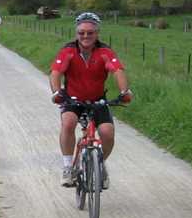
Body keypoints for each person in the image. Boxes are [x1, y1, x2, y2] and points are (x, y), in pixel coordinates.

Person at [49, 12, 132, 188]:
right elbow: (56, 73)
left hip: (97, 100)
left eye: (90, 32)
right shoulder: (68, 51)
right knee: (68, 123)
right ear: (76, 33)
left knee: (107, 133)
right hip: (72, 100)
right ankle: (67, 167)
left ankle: (99, 164)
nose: (85, 36)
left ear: (97, 33)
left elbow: (117, 71)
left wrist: (125, 91)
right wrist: (57, 92)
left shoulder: (104, 52)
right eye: (81, 32)